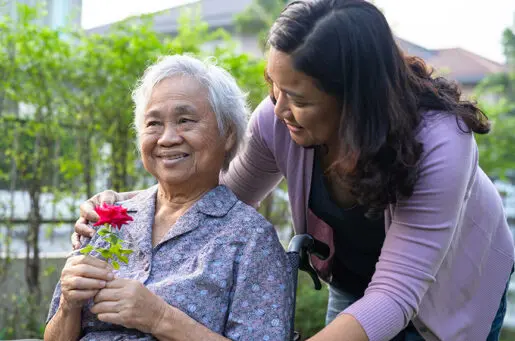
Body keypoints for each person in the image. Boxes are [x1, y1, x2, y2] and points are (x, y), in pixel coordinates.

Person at [73, 1, 515, 340]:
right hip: (356, 277)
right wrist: (122, 210)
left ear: (352, 99)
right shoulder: (277, 119)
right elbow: (218, 195)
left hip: (452, 289)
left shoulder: (440, 143)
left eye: (298, 97)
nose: (277, 107)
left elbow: (396, 295)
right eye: (272, 85)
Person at [45, 55, 293, 341]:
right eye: (153, 124)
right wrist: (68, 305)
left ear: (227, 134)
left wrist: (160, 318)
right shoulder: (107, 220)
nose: (167, 138)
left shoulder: (251, 239)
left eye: (185, 120)